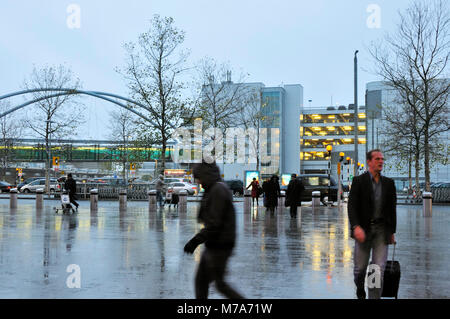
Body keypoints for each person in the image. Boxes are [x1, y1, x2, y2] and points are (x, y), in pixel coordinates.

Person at [183, 160, 244, 299]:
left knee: (219, 284)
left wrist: (195, 241)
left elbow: (214, 224)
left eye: (198, 177)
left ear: (206, 176)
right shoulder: (213, 188)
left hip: (220, 245)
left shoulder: (218, 190)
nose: (197, 181)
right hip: (214, 244)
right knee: (201, 282)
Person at [348, 149, 397, 299]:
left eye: (382, 159)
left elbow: (391, 209)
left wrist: (392, 232)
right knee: (359, 269)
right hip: (363, 229)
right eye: (377, 159)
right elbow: (352, 206)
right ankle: (359, 286)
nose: (381, 161)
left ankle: (373, 297)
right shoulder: (359, 181)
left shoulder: (389, 183)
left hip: (381, 231)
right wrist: (356, 227)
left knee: (377, 269)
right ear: (369, 162)